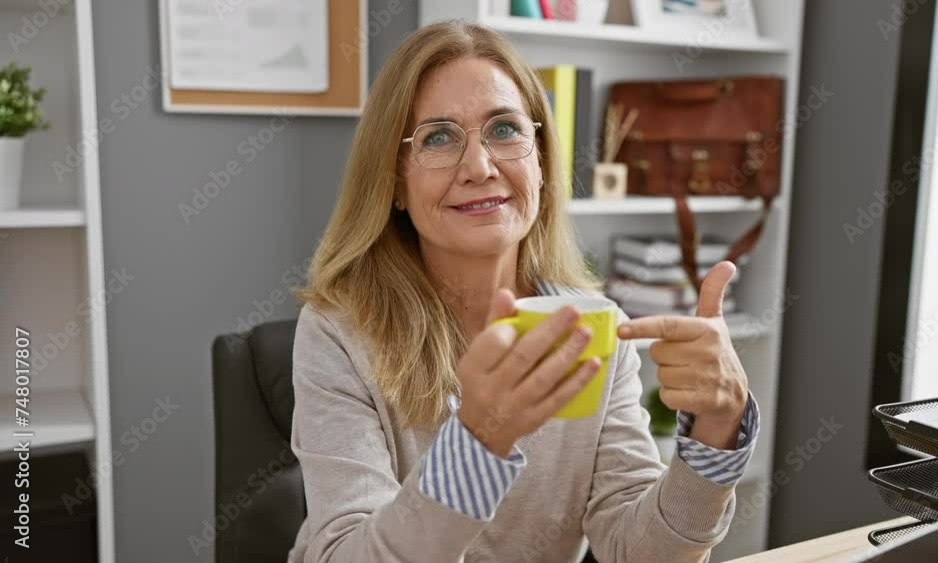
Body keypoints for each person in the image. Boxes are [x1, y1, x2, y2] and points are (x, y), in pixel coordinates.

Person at [288, 19, 759, 563]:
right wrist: (479, 441)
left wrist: (716, 434)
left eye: (504, 129)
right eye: (438, 137)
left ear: (540, 160)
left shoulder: (594, 327)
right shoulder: (338, 334)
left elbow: (641, 553)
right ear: (394, 182)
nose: (480, 167)